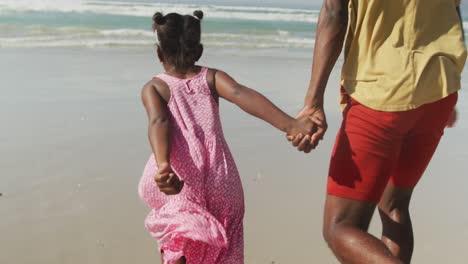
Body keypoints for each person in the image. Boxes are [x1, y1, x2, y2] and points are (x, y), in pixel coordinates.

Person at [291, 0, 466, 263]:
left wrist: (313, 100)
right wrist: (444, 86)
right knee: (394, 204)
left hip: (381, 92)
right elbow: (453, 11)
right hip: (438, 88)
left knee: (339, 226)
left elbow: (333, 12)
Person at [138, 10, 315, 264]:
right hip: (221, 179)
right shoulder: (211, 77)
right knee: (226, 246)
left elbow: (159, 121)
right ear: (199, 51)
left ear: (158, 53)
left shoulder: (155, 87)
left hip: (181, 177)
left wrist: (164, 164)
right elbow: (242, 94)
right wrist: (291, 125)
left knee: (179, 238)